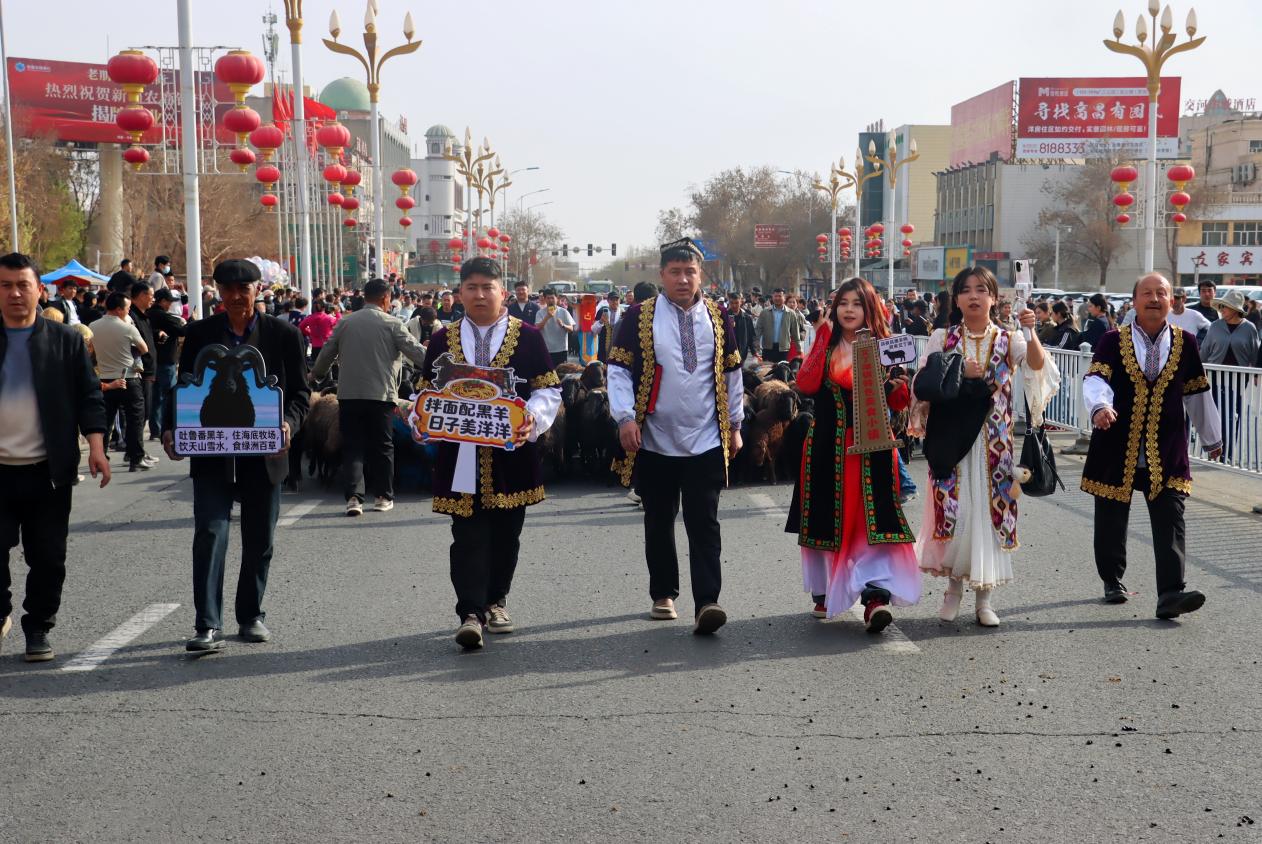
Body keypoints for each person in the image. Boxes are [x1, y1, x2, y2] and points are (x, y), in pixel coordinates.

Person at [161, 259, 310, 653]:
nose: (236, 296)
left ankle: (251, 615)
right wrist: (170, 427)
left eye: (244, 288)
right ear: (218, 293)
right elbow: (184, 387)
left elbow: (300, 392)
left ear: (258, 290)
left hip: (264, 453)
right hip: (212, 453)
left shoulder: (284, 334)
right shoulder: (199, 334)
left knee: (260, 537)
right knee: (210, 533)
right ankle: (207, 623)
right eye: (228, 289)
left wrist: (288, 424)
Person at [417, 257, 561, 649]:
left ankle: (497, 600)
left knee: (507, 533)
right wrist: (420, 418)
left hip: (512, 453)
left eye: (487, 287)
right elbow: (425, 392)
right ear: (460, 293)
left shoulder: (527, 337)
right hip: (460, 454)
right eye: (472, 287)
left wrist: (532, 418)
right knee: (466, 533)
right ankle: (470, 612)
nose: (480, 295)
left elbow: (548, 389)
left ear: (503, 292)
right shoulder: (441, 340)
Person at [608, 238, 744, 634]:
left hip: (706, 436)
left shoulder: (718, 315)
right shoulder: (638, 316)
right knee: (659, 519)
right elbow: (618, 371)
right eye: (675, 272)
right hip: (654, 438)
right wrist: (625, 417)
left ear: (701, 275)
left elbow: (732, 373)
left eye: (690, 272)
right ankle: (664, 593)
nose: (683, 279)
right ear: (662, 275)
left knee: (705, 522)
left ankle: (708, 602)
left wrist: (735, 426)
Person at [909, 266, 1058, 627]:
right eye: (966, 290)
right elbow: (924, 381)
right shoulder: (942, 337)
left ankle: (984, 599)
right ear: (956, 299)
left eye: (981, 289)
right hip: (952, 441)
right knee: (957, 512)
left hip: (994, 443)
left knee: (990, 515)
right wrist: (961, 372)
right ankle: (953, 591)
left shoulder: (1010, 339)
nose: (973, 296)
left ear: (994, 298)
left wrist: (1031, 331)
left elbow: (1037, 365)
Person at [1082, 273, 1221, 619]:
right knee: (1111, 517)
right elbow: (1096, 378)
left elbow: (1197, 393)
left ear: (1172, 301)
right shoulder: (1112, 341)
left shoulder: (1186, 342)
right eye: (1147, 293)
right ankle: (1112, 580)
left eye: (1162, 293)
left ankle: (1171, 593)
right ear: (1134, 301)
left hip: (1167, 448)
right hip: (1116, 443)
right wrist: (1099, 407)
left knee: (1171, 516)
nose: (1155, 299)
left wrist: (1212, 437)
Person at [785, 277, 918, 632]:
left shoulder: (885, 346)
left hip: (873, 450)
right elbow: (806, 384)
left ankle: (875, 597)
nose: (848, 310)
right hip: (827, 447)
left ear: (869, 307)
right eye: (842, 303)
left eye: (856, 303)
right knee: (828, 518)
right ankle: (826, 590)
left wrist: (899, 385)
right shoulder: (826, 345)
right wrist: (821, 336)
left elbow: (899, 401)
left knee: (870, 521)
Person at [0, 253, 109, 662]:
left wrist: (96, 446)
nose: (14, 293)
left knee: (48, 558)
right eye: (5, 285)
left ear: (38, 290)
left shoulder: (65, 341)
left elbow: (89, 396)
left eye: (22, 285)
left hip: (48, 472)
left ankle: (38, 627)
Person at [311, 278, 427, 516]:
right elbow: (417, 352)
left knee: (352, 446)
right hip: (381, 396)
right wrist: (444, 363)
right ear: (386, 298)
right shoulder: (392, 323)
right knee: (382, 446)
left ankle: (354, 498)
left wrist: (317, 374)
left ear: (365, 297)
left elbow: (327, 353)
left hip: (348, 395)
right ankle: (383, 497)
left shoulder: (345, 322)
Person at [91, 291, 151, 471]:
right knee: (135, 419)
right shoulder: (127, 328)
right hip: (129, 378)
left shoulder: (93, 326)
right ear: (118, 309)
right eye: (127, 308)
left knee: (105, 421)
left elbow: (90, 349)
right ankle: (136, 458)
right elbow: (144, 348)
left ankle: (102, 457)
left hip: (104, 379)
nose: (129, 311)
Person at [148, 287, 186, 442]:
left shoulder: (147, 314)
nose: (170, 304)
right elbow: (181, 331)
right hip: (166, 361)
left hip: (152, 361)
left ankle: (155, 430)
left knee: (155, 397)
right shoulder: (163, 316)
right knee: (169, 396)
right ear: (162, 301)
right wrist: (190, 321)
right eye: (169, 301)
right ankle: (167, 428)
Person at [129, 282, 159, 443]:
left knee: (145, 411)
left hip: (149, 370)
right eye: (151, 295)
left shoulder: (144, 316)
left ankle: (136, 448)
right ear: (141, 295)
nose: (153, 299)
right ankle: (135, 449)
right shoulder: (131, 317)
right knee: (140, 412)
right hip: (140, 371)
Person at [755, 288, 803, 364]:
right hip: (768, 348)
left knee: (782, 370)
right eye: (775, 296)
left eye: (780, 296)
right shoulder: (765, 312)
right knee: (767, 370)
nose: (777, 298)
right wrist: (756, 344)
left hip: (783, 349)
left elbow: (795, 333)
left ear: (784, 297)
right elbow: (758, 329)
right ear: (772, 297)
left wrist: (799, 349)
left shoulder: (791, 313)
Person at [534, 288, 576, 368]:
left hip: (561, 349)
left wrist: (563, 325)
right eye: (548, 298)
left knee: (560, 372)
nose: (550, 300)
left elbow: (571, 329)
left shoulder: (563, 311)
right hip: (546, 349)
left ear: (557, 299)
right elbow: (537, 328)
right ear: (545, 299)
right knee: (548, 372)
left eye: (552, 298)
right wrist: (547, 317)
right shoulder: (540, 313)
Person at [728, 291, 758, 363]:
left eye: (736, 303)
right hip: (727, 354)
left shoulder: (747, 318)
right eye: (732, 303)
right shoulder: (724, 316)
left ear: (741, 302)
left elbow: (751, 336)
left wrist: (754, 351)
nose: (734, 305)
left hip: (742, 354)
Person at [595, 291, 623, 363]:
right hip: (604, 346)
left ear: (619, 300)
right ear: (608, 301)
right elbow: (594, 330)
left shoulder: (623, 313)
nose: (615, 302)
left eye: (616, 300)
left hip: (618, 346)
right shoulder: (602, 311)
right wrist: (601, 321)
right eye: (612, 300)